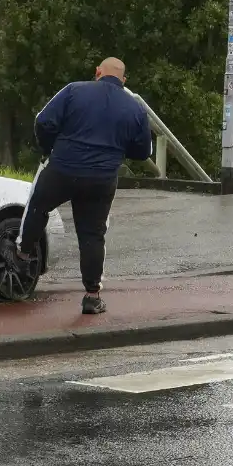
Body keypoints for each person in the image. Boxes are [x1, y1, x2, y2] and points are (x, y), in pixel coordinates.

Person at [16, 57, 152, 315]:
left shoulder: (73, 90)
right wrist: (117, 151)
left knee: (38, 205)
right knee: (92, 235)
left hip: (63, 168)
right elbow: (143, 151)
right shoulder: (135, 108)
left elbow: (43, 121)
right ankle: (92, 295)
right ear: (124, 80)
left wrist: (49, 148)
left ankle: (22, 256)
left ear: (97, 72)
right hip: (101, 179)